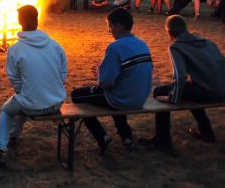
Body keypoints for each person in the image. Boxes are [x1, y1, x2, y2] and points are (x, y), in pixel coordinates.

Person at [71, 8, 153, 152]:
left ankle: (101, 136)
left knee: (77, 95)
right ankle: (126, 136)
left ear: (119, 26)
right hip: (140, 97)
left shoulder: (115, 47)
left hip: (123, 99)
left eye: (110, 27)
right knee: (118, 88)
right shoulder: (142, 43)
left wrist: (99, 73)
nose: (110, 31)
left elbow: (105, 82)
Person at [0, 5, 67, 168]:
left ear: (20, 21)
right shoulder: (55, 45)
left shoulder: (15, 49)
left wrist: (25, 92)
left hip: (31, 104)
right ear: (37, 19)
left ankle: (1, 147)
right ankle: (14, 136)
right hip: (56, 103)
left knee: (7, 110)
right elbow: (63, 72)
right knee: (23, 100)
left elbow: (15, 80)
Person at [139, 15, 225, 149]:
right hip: (221, 89)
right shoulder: (208, 42)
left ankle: (162, 139)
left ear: (169, 32)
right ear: (185, 28)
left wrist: (173, 99)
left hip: (209, 92)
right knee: (186, 91)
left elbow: (180, 76)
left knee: (162, 95)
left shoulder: (176, 46)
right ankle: (207, 132)